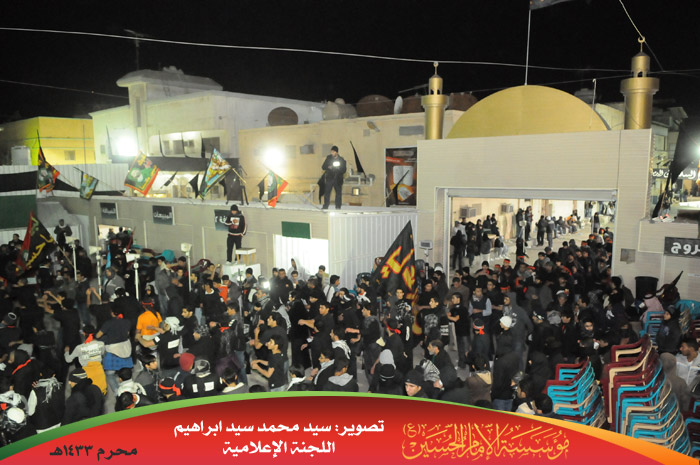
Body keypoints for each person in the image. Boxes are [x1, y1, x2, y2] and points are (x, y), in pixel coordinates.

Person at [321, 145, 346, 210]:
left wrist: (338, 168)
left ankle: (338, 206)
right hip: (329, 178)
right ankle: (325, 206)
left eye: (333, 152)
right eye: (331, 151)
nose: (332, 153)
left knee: (338, 193)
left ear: (336, 152)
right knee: (327, 193)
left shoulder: (341, 160)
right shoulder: (328, 158)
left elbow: (344, 170)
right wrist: (329, 167)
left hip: (338, 179)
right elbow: (323, 167)